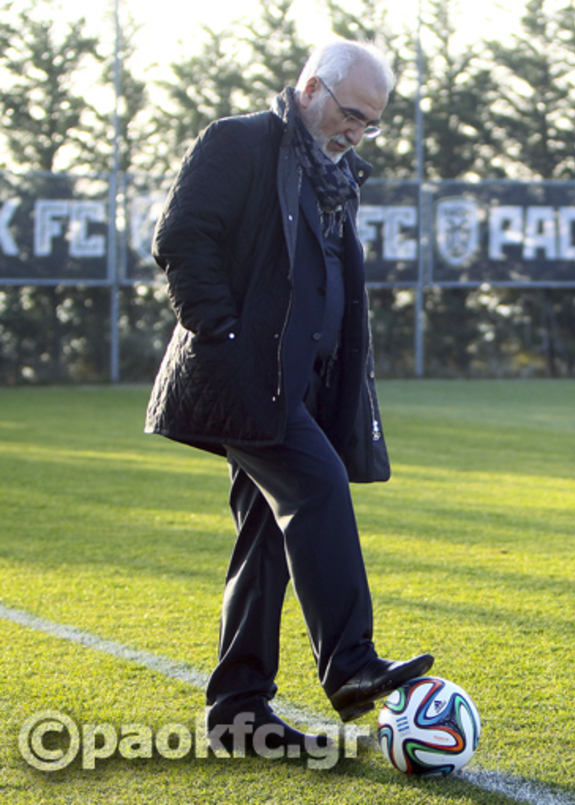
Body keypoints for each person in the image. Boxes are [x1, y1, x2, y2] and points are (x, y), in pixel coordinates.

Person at [145, 38, 433, 755]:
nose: (357, 131)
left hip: (300, 381)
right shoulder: (239, 141)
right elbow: (181, 237)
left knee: (266, 533)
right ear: (310, 88)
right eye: (351, 113)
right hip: (242, 375)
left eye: (371, 122)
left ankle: (239, 711)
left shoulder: (334, 174)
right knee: (317, 485)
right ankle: (351, 663)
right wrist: (226, 335)